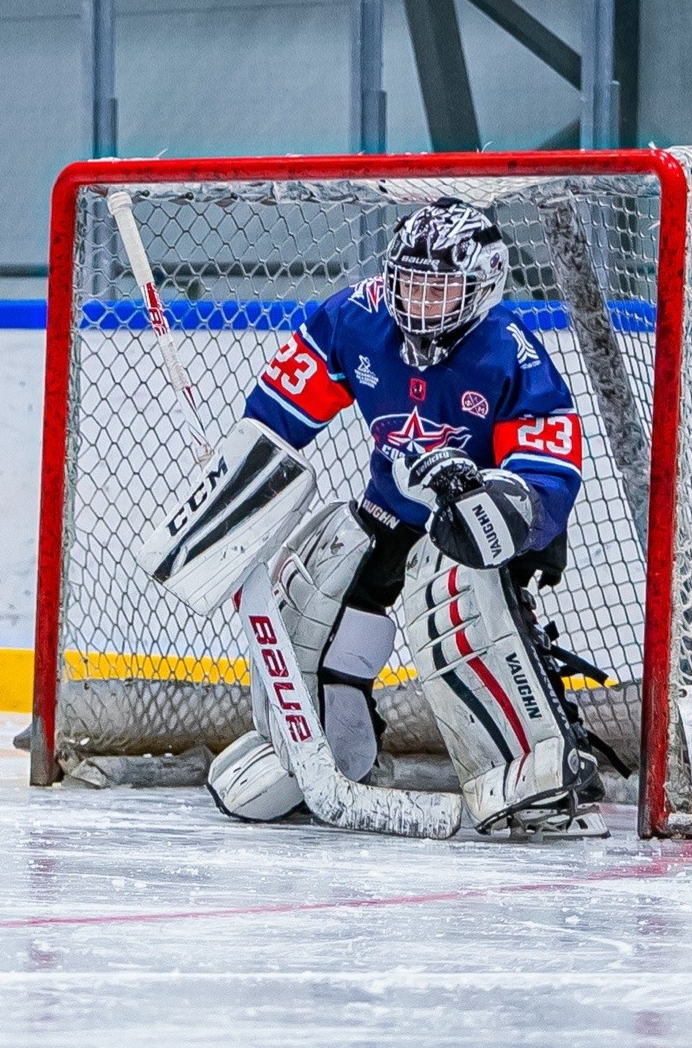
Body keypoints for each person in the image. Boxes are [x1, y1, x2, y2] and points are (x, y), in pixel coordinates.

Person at [159, 198, 603, 835]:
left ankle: (534, 765)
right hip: (390, 506)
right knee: (319, 592)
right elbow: (279, 415)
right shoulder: (356, 317)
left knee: (457, 602)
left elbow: (546, 474)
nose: (420, 304)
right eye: (410, 284)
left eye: (441, 288)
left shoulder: (511, 351)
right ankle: (316, 755)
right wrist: (236, 488)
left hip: (476, 525)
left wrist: (492, 504)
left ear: (483, 287)